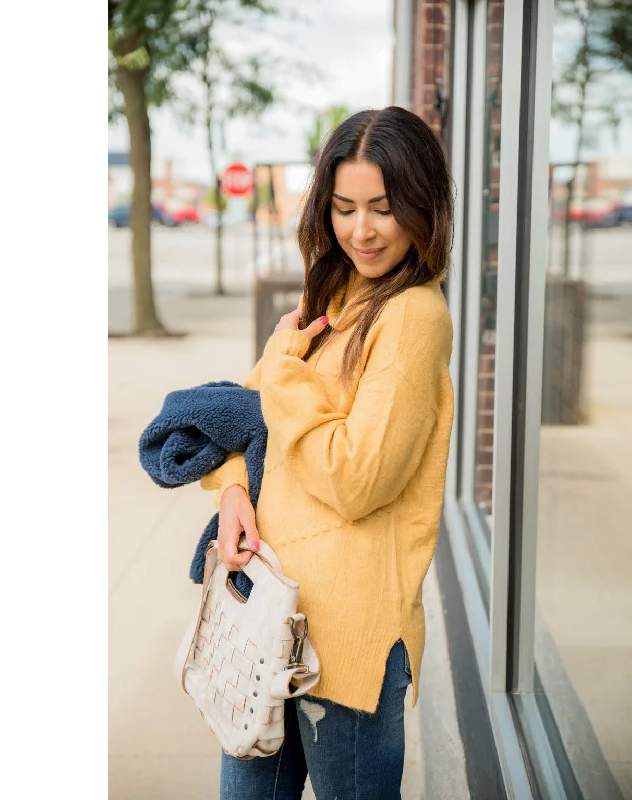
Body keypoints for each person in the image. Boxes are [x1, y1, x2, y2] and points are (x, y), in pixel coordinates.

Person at [200, 106, 455, 800]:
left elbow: (356, 478)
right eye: (344, 208)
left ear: (422, 206)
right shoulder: (336, 288)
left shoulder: (411, 319)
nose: (361, 230)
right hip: (268, 612)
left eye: (382, 207)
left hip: (345, 640)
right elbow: (246, 419)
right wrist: (232, 494)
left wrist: (282, 366)